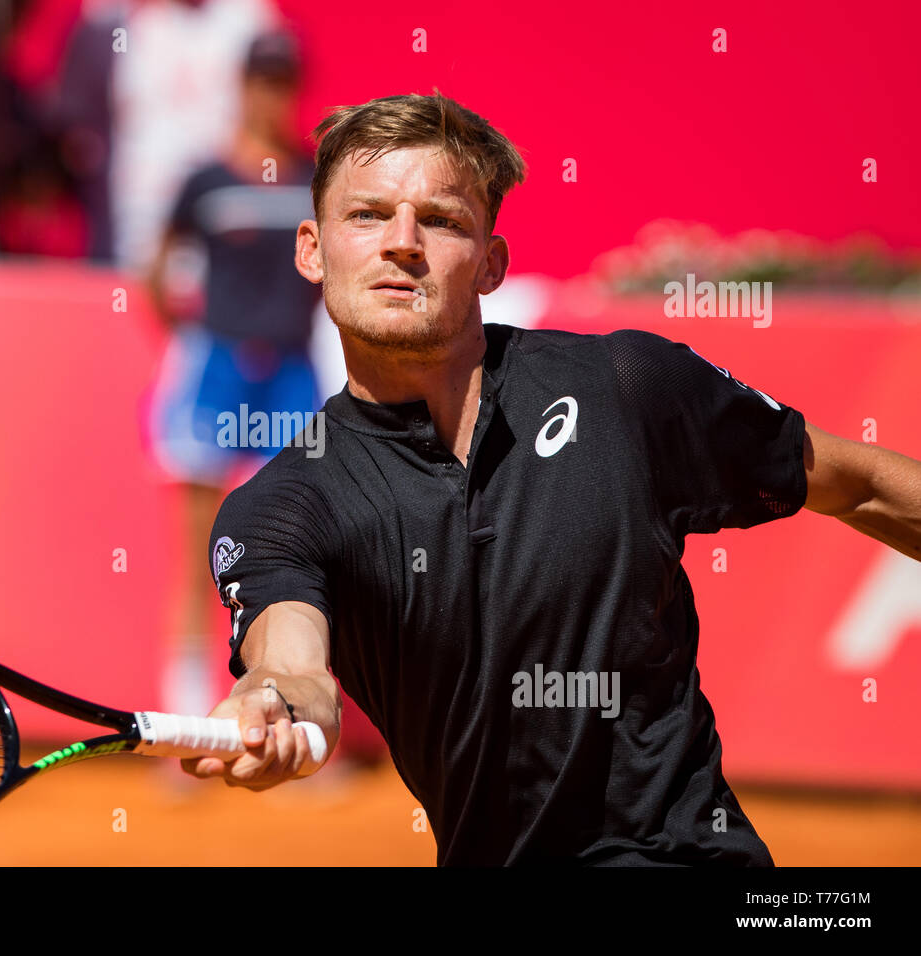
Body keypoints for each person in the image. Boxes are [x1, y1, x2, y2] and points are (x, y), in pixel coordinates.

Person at [182, 91, 921, 865]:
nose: (402, 243)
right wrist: (271, 705)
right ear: (311, 248)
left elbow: (857, 483)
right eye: (367, 215)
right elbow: (293, 664)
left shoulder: (629, 387)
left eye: (440, 220)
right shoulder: (282, 507)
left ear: (492, 263)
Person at [146, 31, 320, 720]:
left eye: (282, 81)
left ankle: (291, 712)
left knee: (294, 547)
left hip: (292, 373)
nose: (269, 94)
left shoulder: (314, 175)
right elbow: (157, 271)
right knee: (196, 551)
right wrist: (188, 334)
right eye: (260, 80)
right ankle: (188, 720)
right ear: (242, 86)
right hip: (217, 367)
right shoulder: (204, 179)